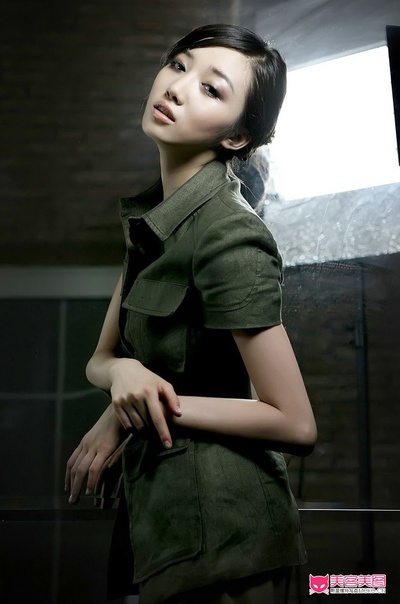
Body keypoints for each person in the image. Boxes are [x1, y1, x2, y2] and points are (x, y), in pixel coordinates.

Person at [65, 23, 317, 604]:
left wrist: (140, 409)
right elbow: (101, 360)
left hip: (229, 539)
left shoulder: (229, 234)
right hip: (155, 519)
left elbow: (295, 422)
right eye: (179, 65)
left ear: (236, 136)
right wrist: (127, 378)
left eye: (211, 88)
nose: (176, 87)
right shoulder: (154, 221)